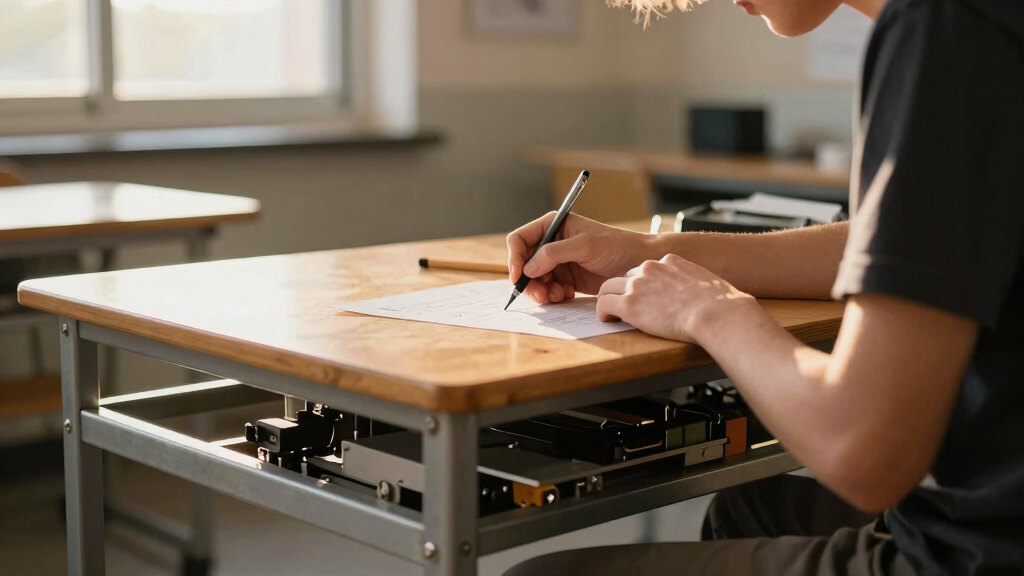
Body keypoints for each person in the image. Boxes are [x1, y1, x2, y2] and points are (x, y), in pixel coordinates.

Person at [503, 0, 1024, 574]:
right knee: (749, 507)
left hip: (985, 550)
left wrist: (713, 312)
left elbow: (862, 449)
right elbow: (910, 240)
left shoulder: (944, 28)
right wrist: (651, 252)